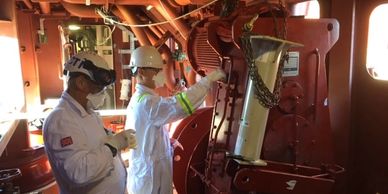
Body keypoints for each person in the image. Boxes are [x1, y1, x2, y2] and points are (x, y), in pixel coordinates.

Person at [125, 45, 226, 194]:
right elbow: (179, 106)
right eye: (155, 70)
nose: (160, 74)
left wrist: (166, 142)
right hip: (150, 179)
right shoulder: (147, 103)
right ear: (141, 71)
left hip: (149, 173)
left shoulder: (140, 98)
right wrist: (208, 80)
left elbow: (145, 133)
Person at [43, 52, 137, 194]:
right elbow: (78, 172)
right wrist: (114, 145)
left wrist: (115, 138)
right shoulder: (61, 120)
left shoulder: (88, 112)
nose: (103, 94)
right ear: (81, 83)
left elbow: (95, 145)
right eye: (99, 88)